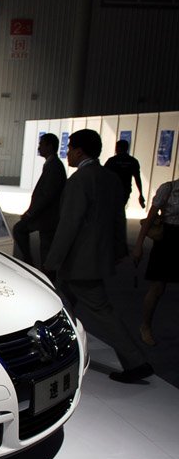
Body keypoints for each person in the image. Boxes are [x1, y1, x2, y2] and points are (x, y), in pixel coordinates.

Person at [44, 129, 152, 384]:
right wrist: (119, 249)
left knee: (101, 312)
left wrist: (52, 262)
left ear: (79, 151)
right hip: (95, 258)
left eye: (70, 148)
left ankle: (136, 361)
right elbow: (118, 219)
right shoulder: (109, 178)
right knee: (60, 308)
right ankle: (56, 354)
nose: (68, 153)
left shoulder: (80, 180)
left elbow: (69, 225)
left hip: (79, 262)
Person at [132, 177, 178, 347]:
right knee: (157, 287)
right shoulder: (169, 188)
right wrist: (139, 245)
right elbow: (150, 219)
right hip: (167, 240)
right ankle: (145, 326)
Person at [13, 133, 66, 270]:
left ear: (50, 146)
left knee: (44, 246)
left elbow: (47, 195)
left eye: (41, 144)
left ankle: (39, 270)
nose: (39, 147)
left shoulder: (54, 166)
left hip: (48, 216)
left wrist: (30, 213)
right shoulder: (51, 164)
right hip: (45, 215)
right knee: (42, 245)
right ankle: (36, 266)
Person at [104, 139, 145, 209]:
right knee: (119, 209)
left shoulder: (112, 160)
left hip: (112, 189)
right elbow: (137, 178)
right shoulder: (133, 161)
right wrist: (140, 193)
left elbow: (103, 175)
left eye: (117, 147)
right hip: (125, 190)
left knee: (110, 209)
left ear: (118, 148)